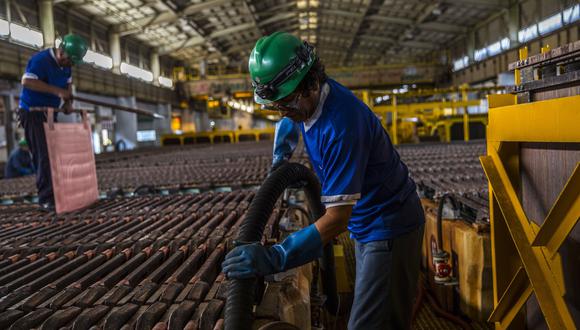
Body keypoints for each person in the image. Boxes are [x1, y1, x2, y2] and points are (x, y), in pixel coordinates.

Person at [222, 32, 425, 329]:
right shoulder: (309, 101)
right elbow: (290, 118)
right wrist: (282, 156)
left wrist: (277, 255)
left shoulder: (341, 126)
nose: (282, 112)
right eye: (275, 106)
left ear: (312, 84)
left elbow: (337, 218)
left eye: (286, 103)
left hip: (388, 228)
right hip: (368, 224)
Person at [18, 34, 88, 210]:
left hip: (51, 113)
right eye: (70, 61)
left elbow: (68, 86)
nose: (71, 65)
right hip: (32, 112)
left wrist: (68, 103)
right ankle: (46, 198)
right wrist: (57, 92)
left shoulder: (67, 66)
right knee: (44, 155)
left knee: (54, 155)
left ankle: (57, 193)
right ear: (61, 52)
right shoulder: (40, 60)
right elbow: (27, 81)